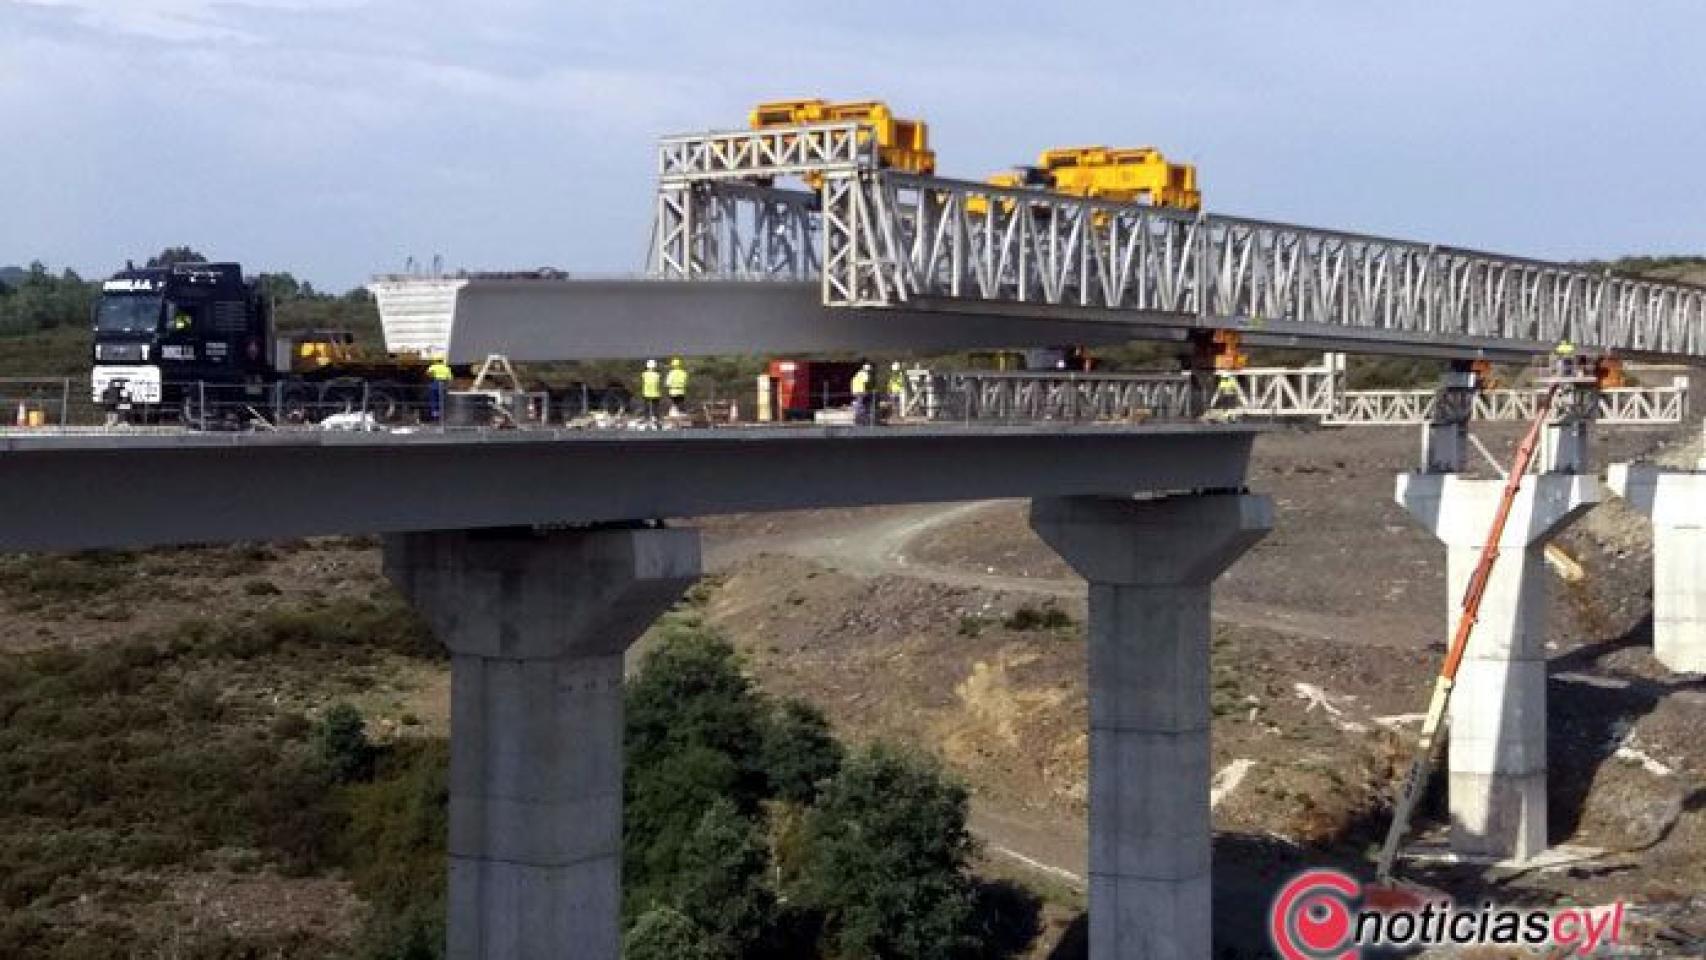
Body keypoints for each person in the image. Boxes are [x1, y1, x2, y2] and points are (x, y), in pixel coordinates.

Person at [426, 353, 453, 422]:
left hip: (435, 384)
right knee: (442, 400)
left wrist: (433, 376)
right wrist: (448, 386)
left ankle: (435, 416)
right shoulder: (446, 368)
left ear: (436, 360)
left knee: (434, 400)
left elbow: (428, 373)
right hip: (443, 384)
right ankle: (442, 416)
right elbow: (450, 378)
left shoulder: (433, 367)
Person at [640, 359, 663, 424]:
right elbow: (659, 383)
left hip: (646, 393)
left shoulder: (644, 374)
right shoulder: (657, 375)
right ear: (655, 366)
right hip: (655, 393)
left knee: (646, 406)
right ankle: (655, 417)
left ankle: (646, 417)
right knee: (655, 407)